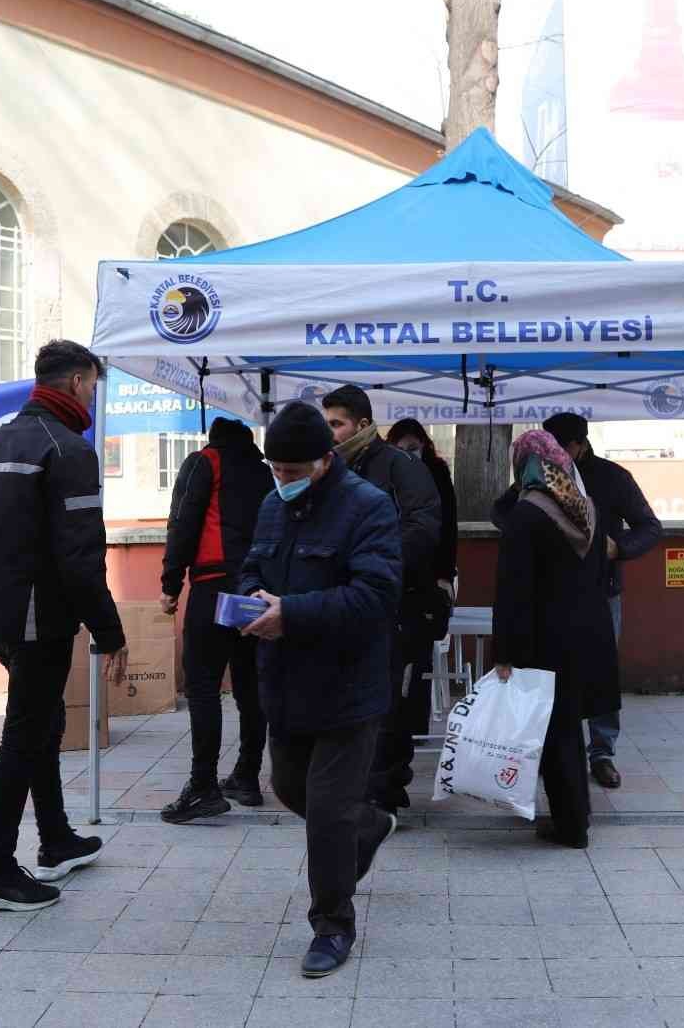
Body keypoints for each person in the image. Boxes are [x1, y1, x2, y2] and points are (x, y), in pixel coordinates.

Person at [0, 340, 127, 911]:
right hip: (37, 616)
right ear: (79, 382)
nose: (94, 397)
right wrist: (110, 630)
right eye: (95, 387)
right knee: (24, 735)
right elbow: (81, 555)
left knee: (44, 721)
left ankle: (55, 840)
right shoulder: (68, 449)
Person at [238, 402, 401, 978]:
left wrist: (294, 614)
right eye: (274, 470)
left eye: (292, 471)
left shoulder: (369, 507)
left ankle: (332, 925)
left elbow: (376, 596)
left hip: (348, 687)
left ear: (325, 461)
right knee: (289, 789)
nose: (281, 481)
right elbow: (252, 567)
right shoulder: (270, 505)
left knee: (326, 814)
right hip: (284, 683)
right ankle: (370, 825)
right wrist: (252, 598)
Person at [492, 430, 619, 850]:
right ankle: (575, 818)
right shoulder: (587, 510)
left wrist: (505, 653)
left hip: (545, 641)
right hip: (591, 634)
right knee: (569, 730)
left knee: (556, 737)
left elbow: (512, 591)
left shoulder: (526, 514)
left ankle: (571, 826)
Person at [320, 386, 440, 814]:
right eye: (326, 424)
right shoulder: (329, 470)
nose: (329, 432)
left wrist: (372, 565)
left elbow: (424, 527)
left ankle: (384, 791)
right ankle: (360, 785)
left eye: (337, 424)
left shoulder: (399, 467)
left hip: (394, 605)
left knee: (388, 702)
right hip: (344, 606)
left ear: (363, 425)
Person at [158, 417, 274, 823]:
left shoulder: (203, 462)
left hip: (213, 588)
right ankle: (247, 775)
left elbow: (182, 523)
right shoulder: (265, 472)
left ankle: (203, 786)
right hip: (254, 593)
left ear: (214, 438)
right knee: (248, 686)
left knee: (204, 685)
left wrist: (171, 582)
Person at [540, 413, 660, 791]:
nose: (555, 455)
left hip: (601, 591)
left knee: (602, 671)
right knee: (556, 671)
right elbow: (503, 511)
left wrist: (618, 547)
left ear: (580, 444)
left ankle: (602, 753)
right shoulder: (540, 475)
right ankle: (560, 749)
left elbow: (650, 527)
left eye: (562, 448)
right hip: (555, 593)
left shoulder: (611, 477)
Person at [387, 419, 459, 598]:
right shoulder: (386, 473)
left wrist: (445, 574)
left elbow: (448, 524)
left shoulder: (438, 472)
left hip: (430, 565)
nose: (407, 455)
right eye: (400, 450)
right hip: (395, 564)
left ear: (424, 445)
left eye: (412, 448)